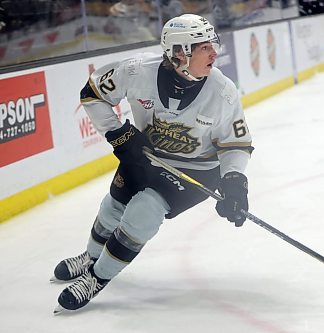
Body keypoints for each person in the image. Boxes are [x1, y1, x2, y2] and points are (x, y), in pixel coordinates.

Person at [51, 13, 253, 314]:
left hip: (197, 170)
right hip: (146, 156)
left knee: (143, 212)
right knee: (113, 207)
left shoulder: (222, 92)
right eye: (204, 47)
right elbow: (92, 93)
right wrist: (118, 133)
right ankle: (90, 256)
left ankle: (97, 277)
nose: (215, 52)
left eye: (214, 43)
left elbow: (236, 144)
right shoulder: (137, 71)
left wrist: (235, 180)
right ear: (179, 53)